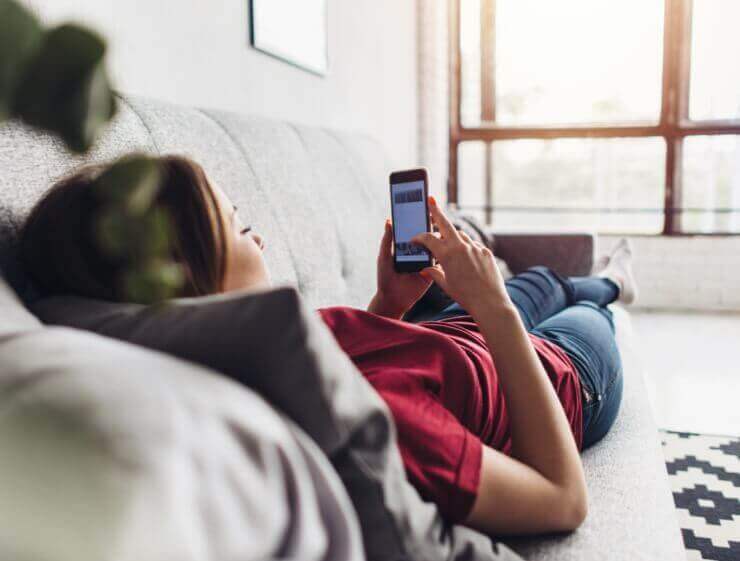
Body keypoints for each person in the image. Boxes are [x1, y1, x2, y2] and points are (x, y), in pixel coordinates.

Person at [20, 156, 636, 537]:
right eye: (237, 226)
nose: (256, 235)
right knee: (584, 313)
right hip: (557, 380)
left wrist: (389, 305)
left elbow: (364, 359)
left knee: (539, 282)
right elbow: (563, 500)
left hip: (456, 338)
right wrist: (494, 308)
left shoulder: (259, 346)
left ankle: (606, 277)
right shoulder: (377, 422)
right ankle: (608, 288)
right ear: (189, 273)